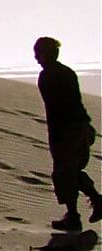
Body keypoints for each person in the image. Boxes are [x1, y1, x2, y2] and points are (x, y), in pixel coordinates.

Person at [34, 36, 101, 231]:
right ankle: (95, 201)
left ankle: (73, 217)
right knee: (71, 171)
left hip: (67, 131)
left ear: (47, 54)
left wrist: (57, 136)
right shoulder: (67, 72)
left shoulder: (48, 76)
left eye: (39, 53)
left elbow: (56, 109)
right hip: (81, 127)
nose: (36, 58)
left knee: (63, 174)